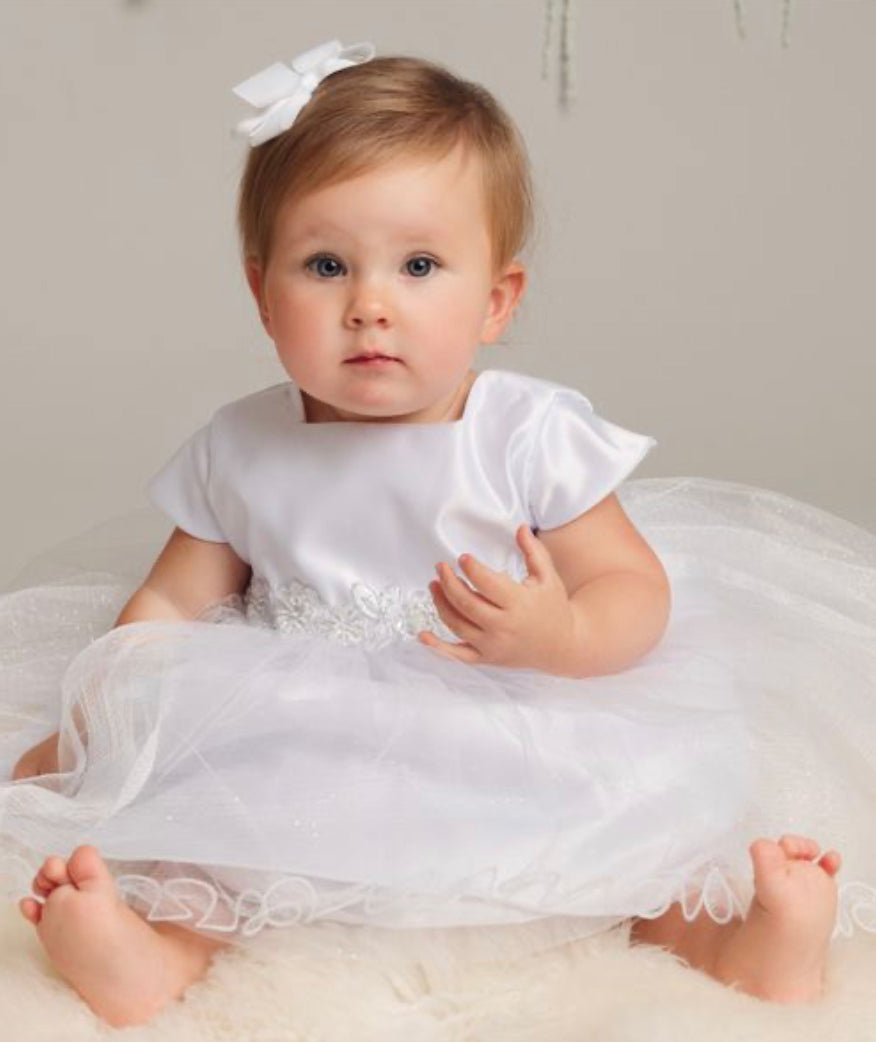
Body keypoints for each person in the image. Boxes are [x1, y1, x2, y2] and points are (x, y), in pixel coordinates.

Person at [1, 39, 874, 1029]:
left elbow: (632, 587)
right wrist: (126, 683)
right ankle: (153, 951)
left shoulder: (525, 433)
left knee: (629, 834)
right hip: (300, 715)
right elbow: (172, 597)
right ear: (260, 292)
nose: (370, 304)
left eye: (419, 265)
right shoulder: (239, 446)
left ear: (496, 300)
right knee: (218, 837)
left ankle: (735, 941)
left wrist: (564, 637)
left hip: (512, 703)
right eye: (325, 265)